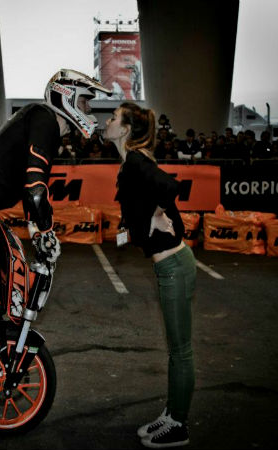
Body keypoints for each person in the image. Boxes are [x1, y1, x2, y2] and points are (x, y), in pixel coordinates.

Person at [0, 68, 111, 294]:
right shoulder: (45, 121)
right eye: (84, 101)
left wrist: (38, 232)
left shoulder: (44, 123)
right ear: (68, 98)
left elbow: (30, 188)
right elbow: (35, 190)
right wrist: (46, 231)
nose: (89, 108)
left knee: (0, 271)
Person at [105, 102, 197, 448]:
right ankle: (171, 413)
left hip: (175, 267)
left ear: (126, 129)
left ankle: (179, 425)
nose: (107, 121)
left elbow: (169, 187)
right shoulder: (131, 162)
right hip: (169, 267)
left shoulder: (136, 161)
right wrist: (144, 218)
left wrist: (158, 213)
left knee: (181, 351)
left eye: (113, 118)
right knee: (176, 350)